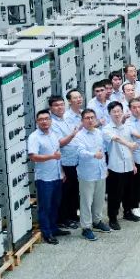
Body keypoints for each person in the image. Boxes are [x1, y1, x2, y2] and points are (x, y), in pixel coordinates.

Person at [73, 109, 112, 241]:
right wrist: (93, 155)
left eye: (92, 118)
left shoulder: (99, 133)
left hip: (100, 172)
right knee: (86, 201)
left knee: (99, 199)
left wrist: (105, 168)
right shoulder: (79, 136)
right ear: (82, 121)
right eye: (87, 118)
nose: (90, 120)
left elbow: (104, 152)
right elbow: (80, 152)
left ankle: (97, 221)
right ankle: (86, 227)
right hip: (87, 174)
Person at [29, 109, 66, 244]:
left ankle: (54, 228)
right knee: (45, 207)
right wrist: (51, 157)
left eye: (46, 119)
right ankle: (47, 233)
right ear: (37, 121)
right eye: (41, 119)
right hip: (44, 179)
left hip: (56, 175)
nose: (44, 121)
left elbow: (58, 154)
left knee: (55, 204)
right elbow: (33, 157)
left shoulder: (53, 134)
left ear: (50, 121)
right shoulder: (34, 137)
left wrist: (62, 171)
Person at [104, 101, 139, 229]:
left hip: (128, 164)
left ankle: (127, 212)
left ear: (122, 112)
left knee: (128, 191)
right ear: (109, 113)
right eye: (114, 112)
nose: (117, 114)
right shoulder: (107, 129)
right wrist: (129, 144)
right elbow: (116, 139)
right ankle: (112, 218)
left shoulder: (126, 127)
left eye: (119, 111)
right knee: (114, 194)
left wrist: (133, 164)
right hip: (115, 166)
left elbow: (130, 147)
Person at [52, 91, 82, 230]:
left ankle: (72, 215)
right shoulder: (53, 123)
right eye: (56, 105)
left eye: (61, 104)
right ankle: (63, 219)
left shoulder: (65, 118)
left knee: (74, 190)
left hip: (74, 159)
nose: (60, 107)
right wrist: (73, 134)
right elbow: (60, 143)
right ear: (51, 108)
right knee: (65, 192)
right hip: (64, 162)